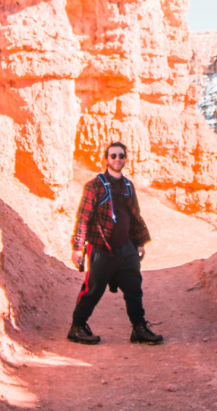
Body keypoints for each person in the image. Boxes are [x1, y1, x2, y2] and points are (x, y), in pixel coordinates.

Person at [68, 142, 163, 345]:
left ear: (125, 159)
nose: (117, 159)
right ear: (106, 159)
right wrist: (78, 247)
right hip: (101, 248)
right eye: (113, 156)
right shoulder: (94, 186)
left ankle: (139, 327)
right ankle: (77, 327)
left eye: (121, 156)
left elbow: (135, 216)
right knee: (92, 289)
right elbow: (83, 218)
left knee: (134, 289)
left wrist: (139, 243)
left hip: (127, 249)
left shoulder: (129, 186)